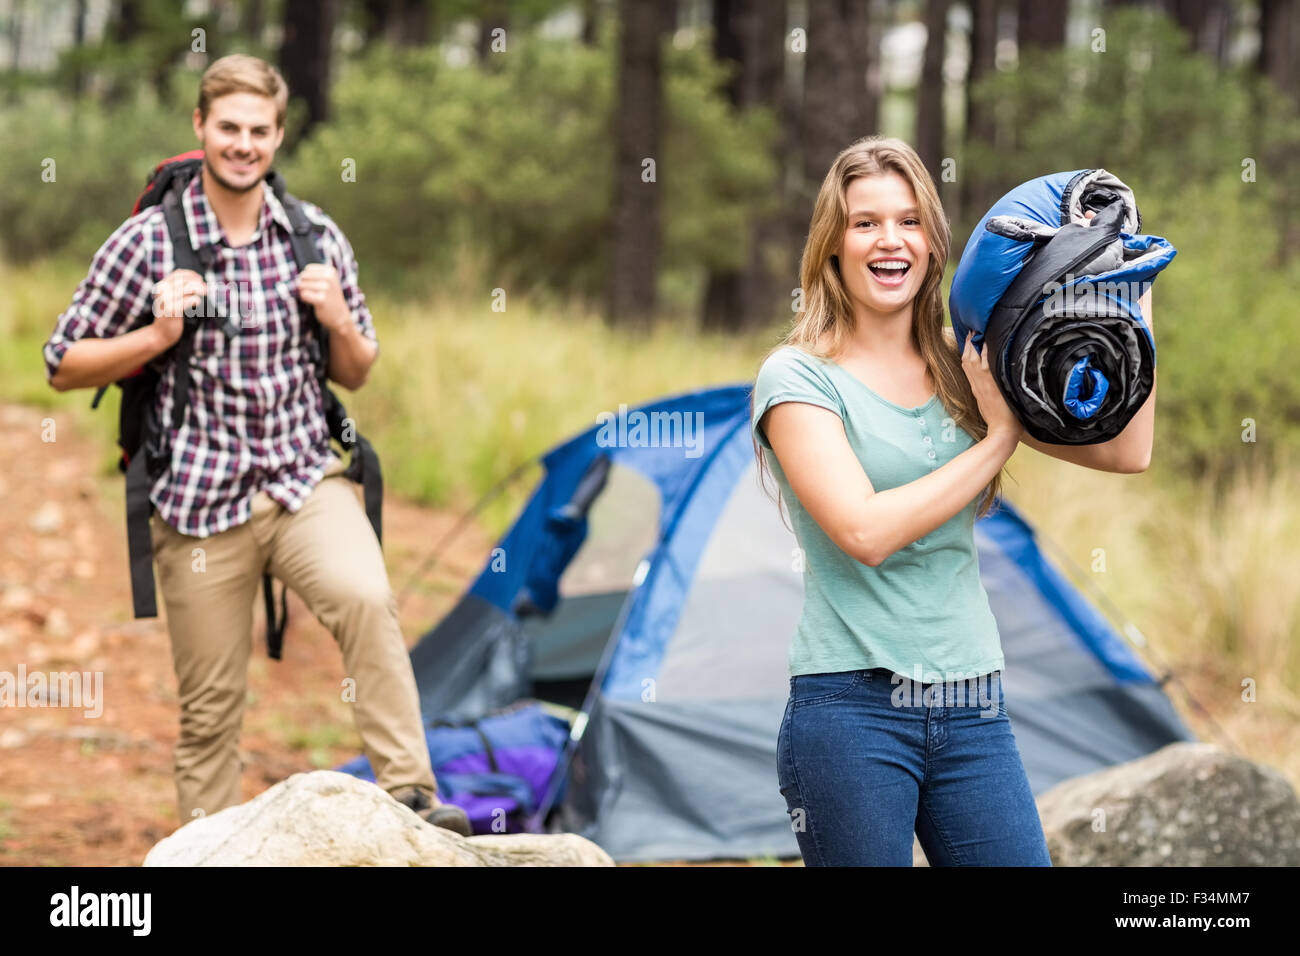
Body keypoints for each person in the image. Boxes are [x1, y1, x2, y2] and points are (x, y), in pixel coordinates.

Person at [42, 54, 471, 836]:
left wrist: (339, 316)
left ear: (278, 136)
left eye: (260, 131)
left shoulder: (314, 237)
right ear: (201, 128)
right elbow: (62, 364)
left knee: (369, 598)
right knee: (209, 713)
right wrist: (158, 332)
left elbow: (358, 369)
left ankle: (413, 796)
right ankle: (207, 852)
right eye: (229, 127)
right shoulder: (147, 244)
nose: (244, 144)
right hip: (199, 505)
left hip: (303, 479)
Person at [750, 136, 1155, 866]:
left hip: (974, 706)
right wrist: (998, 440)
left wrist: (1126, 293)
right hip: (850, 712)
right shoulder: (797, 379)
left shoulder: (968, 362)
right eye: (864, 221)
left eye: (908, 221)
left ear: (935, 245)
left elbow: (1127, 453)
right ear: (832, 244)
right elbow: (865, 530)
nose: (889, 240)